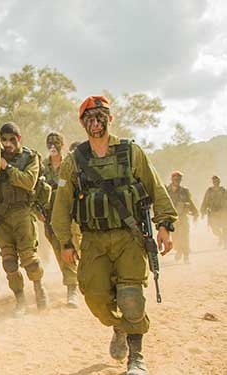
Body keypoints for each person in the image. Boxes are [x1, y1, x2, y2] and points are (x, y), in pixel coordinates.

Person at [52, 95, 176, 375]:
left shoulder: (131, 152)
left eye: (100, 115)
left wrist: (165, 224)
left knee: (131, 296)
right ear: (82, 123)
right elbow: (61, 204)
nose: (95, 122)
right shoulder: (74, 161)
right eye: (89, 117)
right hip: (93, 240)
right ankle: (119, 327)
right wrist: (66, 241)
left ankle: (136, 356)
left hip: (129, 237)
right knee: (95, 297)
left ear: (110, 118)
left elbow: (156, 188)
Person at [0, 122, 48, 315]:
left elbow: (28, 181)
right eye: (4, 140)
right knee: (8, 262)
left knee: (29, 258)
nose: (7, 144)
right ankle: (20, 300)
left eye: (12, 140)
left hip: (23, 212)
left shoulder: (30, 157)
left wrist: (6, 168)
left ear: (19, 139)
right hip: (0, 216)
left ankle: (39, 289)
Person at [38, 132, 82, 307]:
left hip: (68, 216)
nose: (52, 146)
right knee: (58, 251)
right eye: (50, 142)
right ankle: (74, 280)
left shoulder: (69, 164)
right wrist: (37, 210)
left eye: (56, 142)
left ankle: (72, 289)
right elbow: (35, 191)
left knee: (69, 248)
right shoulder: (42, 167)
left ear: (62, 145)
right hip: (49, 217)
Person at [166, 171, 198, 262]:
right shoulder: (166, 191)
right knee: (175, 237)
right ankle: (179, 250)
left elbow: (190, 202)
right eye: (175, 179)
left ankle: (186, 255)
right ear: (172, 179)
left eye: (179, 179)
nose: (177, 181)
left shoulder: (184, 191)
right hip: (172, 218)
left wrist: (195, 212)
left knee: (184, 236)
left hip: (183, 216)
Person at [201, 175, 227, 249]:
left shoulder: (224, 191)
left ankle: (225, 243)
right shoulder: (209, 191)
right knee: (214, 229)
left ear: (219, 182)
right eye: (214, 181)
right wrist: (203, 211)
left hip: (223, 212)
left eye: (217, 181)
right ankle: (221, 237)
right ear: (212, 182)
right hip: (213, 213)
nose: (216, 182)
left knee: (225, 228)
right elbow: (205, 201)